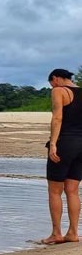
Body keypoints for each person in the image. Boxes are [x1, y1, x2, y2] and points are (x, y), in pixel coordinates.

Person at [43, 67, 81, 244]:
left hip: (65, 143)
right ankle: (73, 233)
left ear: (56, 79)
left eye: (51, 83)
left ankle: (56, 233)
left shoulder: (59, 91)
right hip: (81, 145)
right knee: (72, 190)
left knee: (54, 191)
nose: (52, 87)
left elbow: (57, 118)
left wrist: (53, 144)